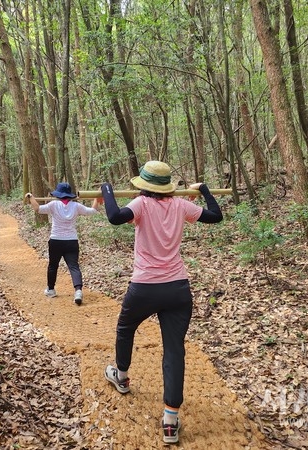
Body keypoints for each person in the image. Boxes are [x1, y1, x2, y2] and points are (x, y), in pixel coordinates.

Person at [99, 160, 223, 444]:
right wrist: (203, 188)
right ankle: (170, 419)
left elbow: (115, 217)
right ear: (168, 187)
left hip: (144, 287)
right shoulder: (181, 206)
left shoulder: (141, 204)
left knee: (125, 328)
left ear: (144, 186)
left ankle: (122, 376)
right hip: (178, 289)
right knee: (174, 349)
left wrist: (106, 189)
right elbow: (216, 216)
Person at [25, 182, 99, 305]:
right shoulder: (76, 206)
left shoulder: (53, 205)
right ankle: (78, 290)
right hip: (71, 241)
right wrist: (97, 198)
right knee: (74, 266)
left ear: (58, 194)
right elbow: (93, 211)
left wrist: (30, 197)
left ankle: (51, 289)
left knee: (53, 265)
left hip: (56, 240)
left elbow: (38, 209)